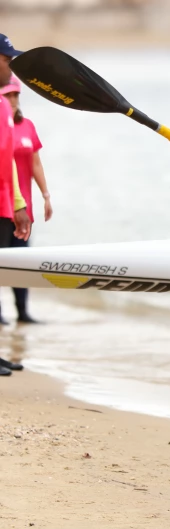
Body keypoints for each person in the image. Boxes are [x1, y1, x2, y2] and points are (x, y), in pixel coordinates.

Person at [0, 74, 51, 323]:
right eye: (7, 95)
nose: (12, 99)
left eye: (15, 95)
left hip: (22, 206)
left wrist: (45, 195)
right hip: (3, 205)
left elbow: (35, 163)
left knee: (21, 261)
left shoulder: (26, 126)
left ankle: (22, 312)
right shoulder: (2, 125)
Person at [0, 34, 31, 373]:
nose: (12, 66)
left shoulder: (1, 107)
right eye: (7, 59)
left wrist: (18, 205)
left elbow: (6, 158)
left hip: (3, 205)